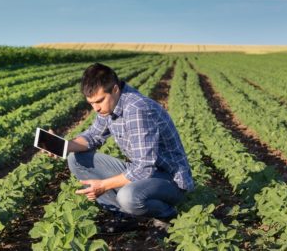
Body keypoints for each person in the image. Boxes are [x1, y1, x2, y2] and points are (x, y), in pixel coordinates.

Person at [51, 62, 194, 235]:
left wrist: (103, 185)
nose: (96, 108)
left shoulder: (137, 110)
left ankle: (166, 215)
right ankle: (125, 216)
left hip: (169, 180)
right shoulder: (109, 106)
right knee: (76, 159)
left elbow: (143, 168)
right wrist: (62, 145)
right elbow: (93, 136)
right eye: (91, 103)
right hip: (146, 173)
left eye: (99, 101)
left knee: (128, 197)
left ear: (115, 89)